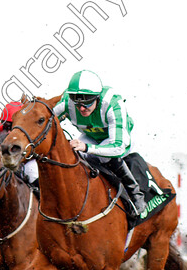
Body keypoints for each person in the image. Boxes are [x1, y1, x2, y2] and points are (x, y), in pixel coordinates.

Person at [54, 70, 146, 216]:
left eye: (86, 103)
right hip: (90, 136)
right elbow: (45, 122)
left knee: (103, 156)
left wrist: (87, 147)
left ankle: (135, 194)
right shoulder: (66, 102)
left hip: (117, 141)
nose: (82, 108)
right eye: (77, 104)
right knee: (72, 155)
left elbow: (118, 147)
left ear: (97, 97)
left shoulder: (112, 104)